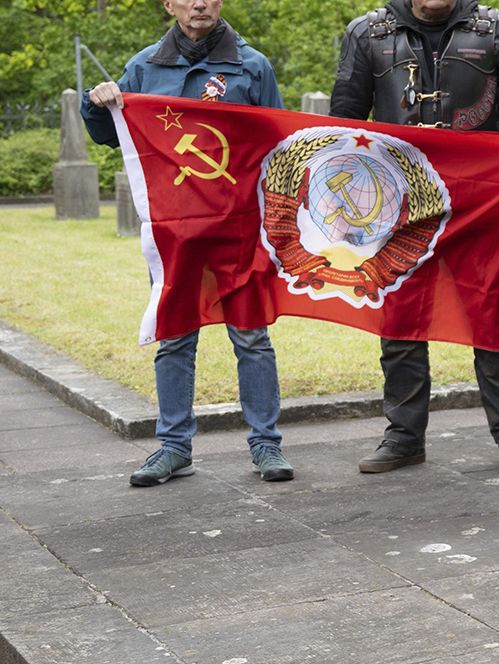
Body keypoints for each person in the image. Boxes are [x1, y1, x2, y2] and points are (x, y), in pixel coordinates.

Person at [332, 0, 499, 474]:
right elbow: (345, 119)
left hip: (483, 201)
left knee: (494, 310)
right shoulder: (366, 32)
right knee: (400, 320)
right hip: (400, 200)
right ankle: (403, 437)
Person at [81, 0, 293, 487]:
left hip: (239, 227)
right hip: (175, 232)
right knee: (175, 336)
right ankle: (173, 447)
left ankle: (266, 446)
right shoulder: (143, 67)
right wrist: (95, 104)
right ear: (169, 4)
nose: (199, 3)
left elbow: (281, 142)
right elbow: (109, 135)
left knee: (252, 338)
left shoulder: (251, 66)